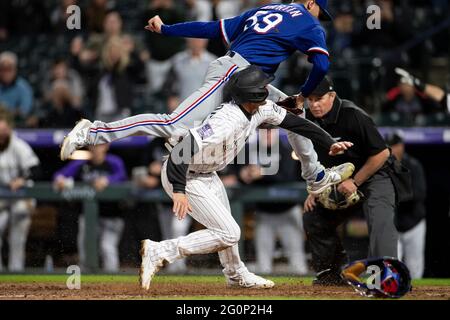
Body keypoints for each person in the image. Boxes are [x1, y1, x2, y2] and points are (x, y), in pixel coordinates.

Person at [60, 0, 348, 197]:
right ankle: (93, 131)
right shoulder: (310, 24)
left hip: (248, 80)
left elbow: (211, 28)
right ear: (310, 3)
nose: (319, 18)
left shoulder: (264, 10)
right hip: (233, 75)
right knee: (172, 125)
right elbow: (321, 65)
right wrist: (304, 94)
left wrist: (168, 29)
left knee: (295, 115)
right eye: (319, 11)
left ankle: (315, 175)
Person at [139, 65, 354, 290]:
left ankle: (235, 275)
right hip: (184, 174)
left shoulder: (260, 108)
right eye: (261, 87)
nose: (265, 89)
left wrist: (329, 142)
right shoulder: (225, 120)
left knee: (226, 228)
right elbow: (181, 151)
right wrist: (179, 190)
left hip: (207, 173)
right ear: (252, 96)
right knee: (229, 233)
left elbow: (296, 123)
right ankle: (160, 251)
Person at [301, 76, 399, 286]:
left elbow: (382, 154)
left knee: (379, 220)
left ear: (332, 96)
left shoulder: (353, 115)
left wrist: (356, 181)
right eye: (310, 99)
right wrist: (316, 189)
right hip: (336, 177)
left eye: (319, 98)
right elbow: (314, 159)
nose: (314, 104)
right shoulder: (308, 118)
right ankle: (331, 273)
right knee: (313, 215)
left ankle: (386, 279)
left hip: (374, 175)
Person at [239, 127, 308, 275]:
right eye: (264, 130)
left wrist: (263, 174)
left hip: (288, 211)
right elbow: (238, 172)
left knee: (298, 264)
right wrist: (243, 175)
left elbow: (287, 176)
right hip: (264, 213)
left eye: (271, 130)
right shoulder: (252, 150)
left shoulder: (286, 148)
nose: (268, 134)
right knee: (263, 266)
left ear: (277, 131)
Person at [53, 144, 127, 272]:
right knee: (85, 247)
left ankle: (113, 280)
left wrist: (108, 180)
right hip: (89, 216)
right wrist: (59, 179)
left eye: (99, 145)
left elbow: (123, 176)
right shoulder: (82, 164)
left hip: (112, 215)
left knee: (107, 247)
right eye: (93, 146)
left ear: (106, 146)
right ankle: (87, 282)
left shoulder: (114, 162)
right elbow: (59, 175)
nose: (95, 149)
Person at [0, 109, 40, 271]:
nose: (1, 136)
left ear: (9, 129)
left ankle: (16, 271)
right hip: (1, 198)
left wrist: (22, 180)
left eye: (3, 131)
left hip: (20, 197)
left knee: (18, 238)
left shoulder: (19, 146)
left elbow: (37, 170)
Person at [386, 132, 427, 279]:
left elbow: (420, 194)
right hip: (394, 223)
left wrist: (396, 196)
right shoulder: (385, 166)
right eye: (390, 146)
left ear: (401, 146)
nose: (393, 149)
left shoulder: (413, 165)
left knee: (415, 266)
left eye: (395, 145)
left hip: (413, 222)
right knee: (391, 265)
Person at [0, 52, 34, 126]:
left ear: (15, 70)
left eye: (9, 69)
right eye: (3, 69)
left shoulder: (23, 87)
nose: (6, 73)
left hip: (18, 125)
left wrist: (6, 113)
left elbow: (24, 111)